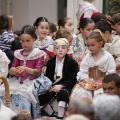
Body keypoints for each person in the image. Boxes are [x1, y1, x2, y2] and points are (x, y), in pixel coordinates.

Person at [0, 26, 45, 118]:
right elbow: (12, 69)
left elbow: (38, 72)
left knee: (22, 95)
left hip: (31, 81)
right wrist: (13, 71)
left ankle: (23, 117)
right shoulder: (17, 53)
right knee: (5, 92)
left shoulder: (38, 53)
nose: (25, 44)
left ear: (34, 39)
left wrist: (26, 69)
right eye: (22, 41)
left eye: (28, 41)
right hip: (16, 80)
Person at [39, 38, 78, 119]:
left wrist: (61, 85)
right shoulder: (51, 62)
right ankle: (50, 112)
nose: (60, 50)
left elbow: (73, 79)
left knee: (63, 93)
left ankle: (61, 115)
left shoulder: (72, 62)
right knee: (41, 92)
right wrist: (49, 86)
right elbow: (48, 76)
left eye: (63, 48)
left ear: (67, 50)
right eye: (57, 48)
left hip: (65, 84)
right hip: (53, 84)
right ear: (54, 50)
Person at [72, 29, 116, 98]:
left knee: (100, 95)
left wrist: (101, 84)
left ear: (100, 44)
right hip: (89, 84)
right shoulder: (87, 57)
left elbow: (111, 74)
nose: (90, 48)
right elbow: (82, 71)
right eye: (88, 45)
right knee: (81, 94)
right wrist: (86, 79)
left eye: (92, 45)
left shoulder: (108, 57)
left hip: (104, 85)